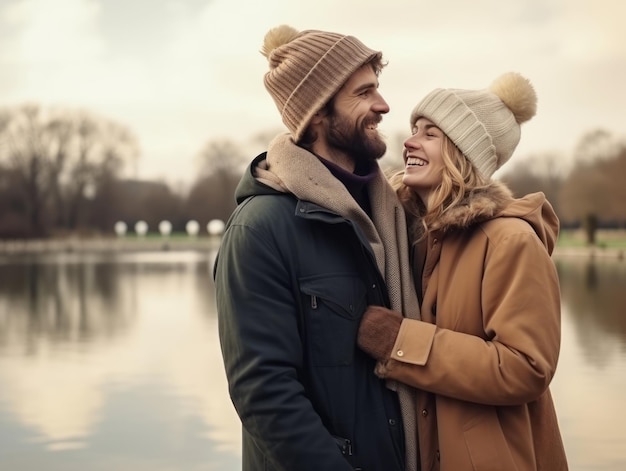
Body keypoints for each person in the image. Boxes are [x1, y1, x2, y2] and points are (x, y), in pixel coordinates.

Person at [213, 25, 420, 471]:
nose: (383, 106)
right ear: (318, 113)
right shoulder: (259, 230)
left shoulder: (395, 215)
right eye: (364, 93)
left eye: (378, 90)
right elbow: (266, 395)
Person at [357, 72, 569, 471]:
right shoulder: (415, 236)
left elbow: (527, 368)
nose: (409, 140)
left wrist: (401, 342)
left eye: (430, 133)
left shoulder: (510, 241)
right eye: (413, 128)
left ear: (463, 152)